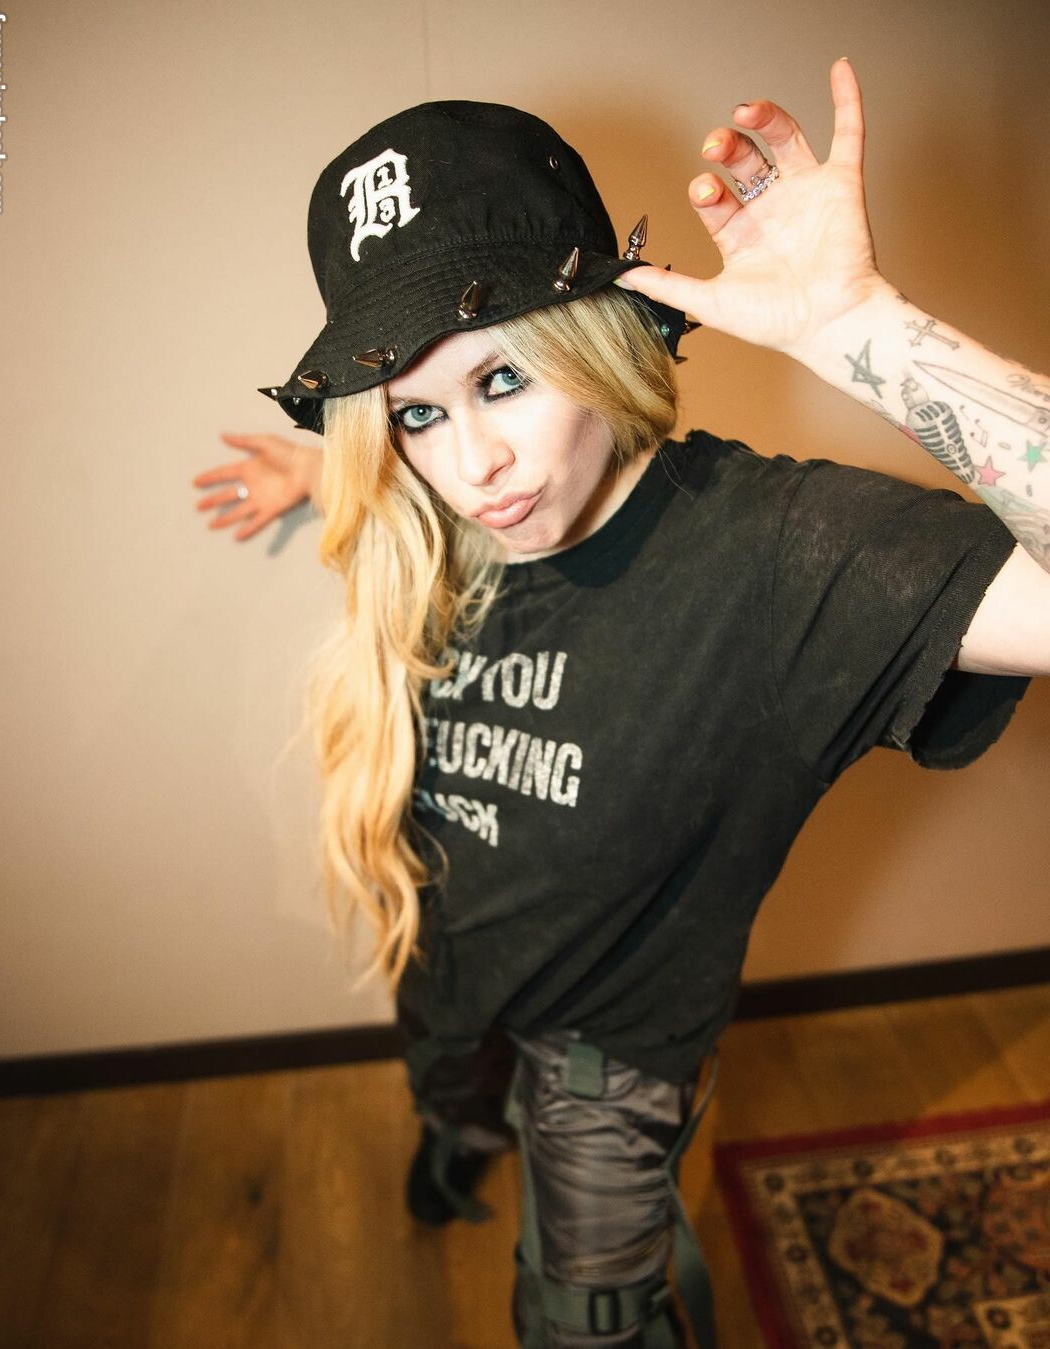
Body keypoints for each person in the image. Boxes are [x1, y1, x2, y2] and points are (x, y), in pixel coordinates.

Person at [194, 60, 1049, 1348]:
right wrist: (322, 477)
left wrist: (861, 334)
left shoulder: (772, 555)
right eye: (416, 412)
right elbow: (425, 490)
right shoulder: (441, 517)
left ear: (594, 339)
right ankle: (455, 1139)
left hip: (609, 1063)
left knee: (582, 1323)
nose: (474, 468)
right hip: (451, 960)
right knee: (453, 1097)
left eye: (504, 381)